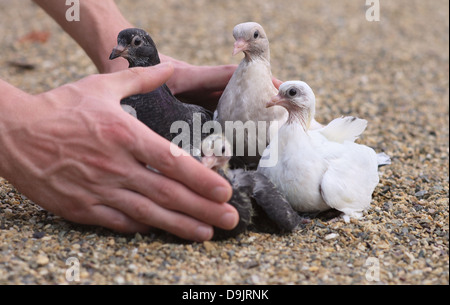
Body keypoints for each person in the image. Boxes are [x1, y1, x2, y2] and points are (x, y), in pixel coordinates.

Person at [0, 0, 240, 242]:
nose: (119, 49)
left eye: (134, 44)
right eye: (121, 45)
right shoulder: (127, 111)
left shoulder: (195, 117)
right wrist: (15, 125)